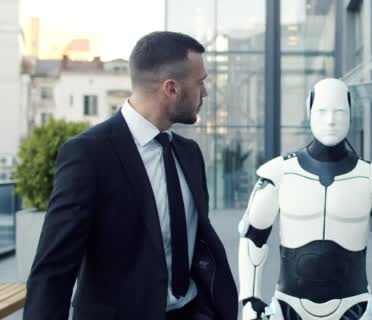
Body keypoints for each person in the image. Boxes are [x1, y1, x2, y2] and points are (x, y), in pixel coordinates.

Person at [24, 31, 238, 320]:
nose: (206, 92)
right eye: (200, 82)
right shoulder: (88, 155)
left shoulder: (189, 154)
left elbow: (198, 241)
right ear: (171, 88)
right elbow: (54, 269)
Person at [237, 78, 372, 320]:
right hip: (289, 307)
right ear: (309, 112)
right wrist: (249, 299)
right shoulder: (279, 172)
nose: (330, 120)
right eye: (322, 111)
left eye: (339, 112)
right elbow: (252, 237)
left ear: (350, 115)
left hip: (353, 307)